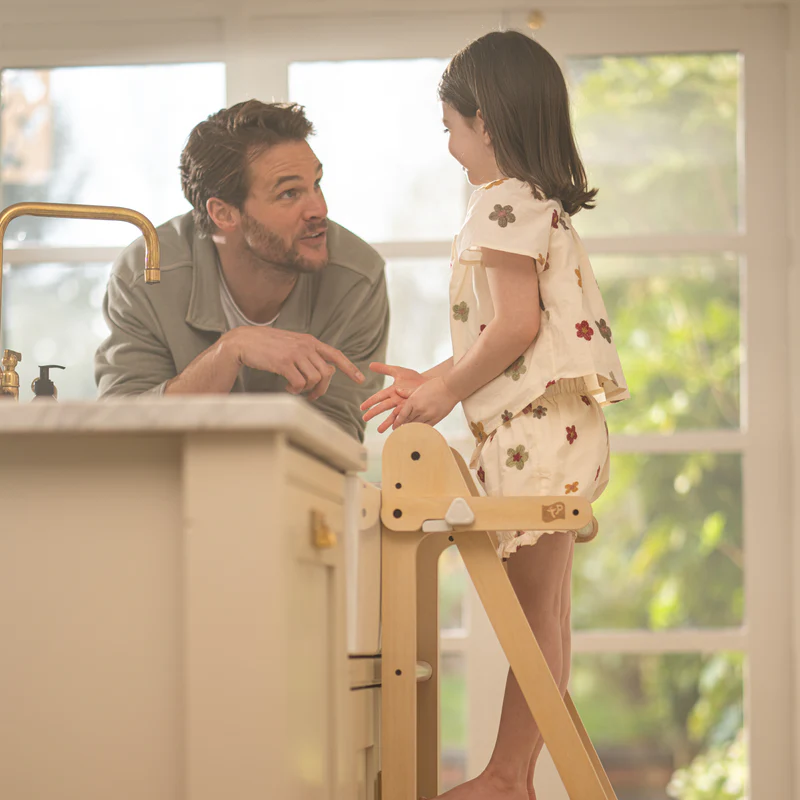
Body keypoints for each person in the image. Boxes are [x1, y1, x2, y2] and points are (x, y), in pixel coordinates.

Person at [361, 31, 629, 800]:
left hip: (537, 435)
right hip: (563, 428)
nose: (449, 146)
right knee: (545, 615)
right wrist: (440, 374)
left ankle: (509, 775)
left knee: (528, 619)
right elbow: (526, 335)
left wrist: (445, 391)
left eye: (449, 127)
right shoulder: (537, 205)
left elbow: (510, 330)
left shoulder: (501, 205)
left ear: (485, 120)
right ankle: (518, 774)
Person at [95, 100, 389, 442]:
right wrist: (229, 351)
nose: (319, 209)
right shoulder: (146, 272)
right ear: (224, 214)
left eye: (317, 184)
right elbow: (121, 432)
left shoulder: (357, 278)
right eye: (290, 193)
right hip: (167, 491)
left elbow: (338, 439)